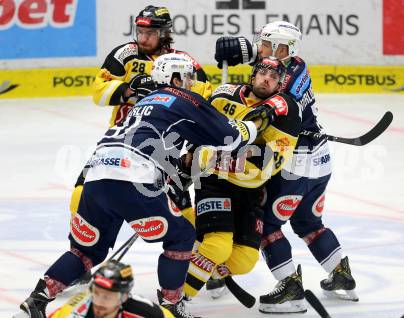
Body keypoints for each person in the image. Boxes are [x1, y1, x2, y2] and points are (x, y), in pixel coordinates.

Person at [18, 53, 274, 318]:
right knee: (181, 236)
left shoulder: (142, 103)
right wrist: (255, 124)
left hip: (96, 177)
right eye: (188, 78)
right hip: (133, 177)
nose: (192, 83)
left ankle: (36, 299)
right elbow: (229, 136)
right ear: (175, 79)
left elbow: (160, 147)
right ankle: (172, 306)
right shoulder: (183, 98)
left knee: (84, 251)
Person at [212, 21, 358, 313]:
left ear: (281, 49)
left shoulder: (284, 86)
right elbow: (265, 65)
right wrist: (239, 48)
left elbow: (267, 104)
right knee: (309, 223)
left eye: (266, 45)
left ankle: (290, 290)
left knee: (266, 225)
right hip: (320, 162)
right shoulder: (295, 63)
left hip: (294, 165)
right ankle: (341, 276)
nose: (260, 49)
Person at [69, 4, 212, 217]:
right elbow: (98, 91)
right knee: (82, 191)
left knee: (176, 203)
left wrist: (167, 93)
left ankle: (187, 244)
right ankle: (83, 241)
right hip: (120, 139)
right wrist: (129, 91)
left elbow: (204, 96)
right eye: (140, 32)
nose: (143, 39)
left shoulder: (183, 62)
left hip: (165, 142)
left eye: (150, 33)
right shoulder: (126, 54)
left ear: (164, 34)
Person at [182, 58, 303, 300]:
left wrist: (206, 154)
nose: (267, 79)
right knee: (218, 246)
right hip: (215, 182)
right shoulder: (224, 94)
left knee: (245, 260)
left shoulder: (287, 114)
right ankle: (175, 298)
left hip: (250, 191)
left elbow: (262, 169)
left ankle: (203, 264)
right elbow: (194, 124)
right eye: (262, 73)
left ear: (280, 85)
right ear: (253, 75)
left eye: (274, 77)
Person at [47, 260, 175, 318]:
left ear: (124, 297)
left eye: (107, 297)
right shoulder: (72, 314)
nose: (99, 302)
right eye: (96, 294)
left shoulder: (148, 313)